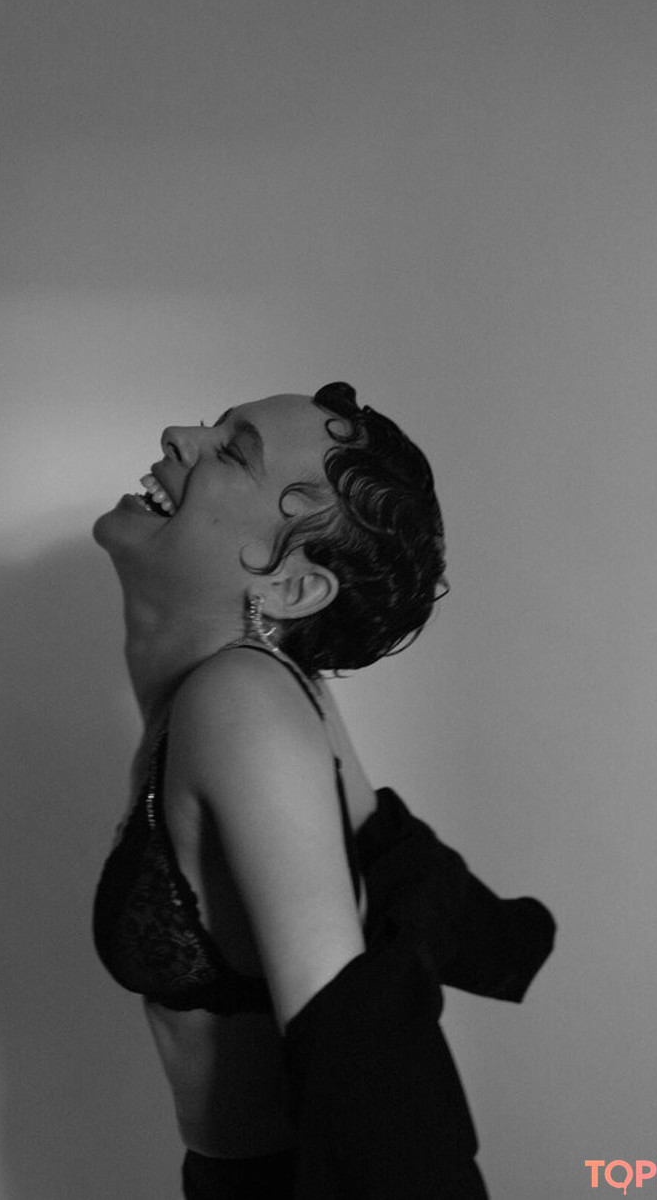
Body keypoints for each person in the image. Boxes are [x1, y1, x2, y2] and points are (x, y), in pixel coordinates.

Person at [91, 383, 554, 1199]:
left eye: (234, 452)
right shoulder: (255, 686)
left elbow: (360, 1053)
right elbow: (397, 863)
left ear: (292, 589)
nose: (178, 435)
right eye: (217, 424)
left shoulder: (240, 702)